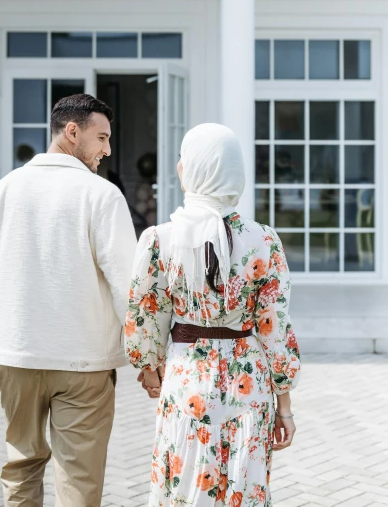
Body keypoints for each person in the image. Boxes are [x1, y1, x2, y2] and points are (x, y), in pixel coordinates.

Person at [0, 93, 137, 507]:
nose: (107, 150)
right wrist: (147, 358)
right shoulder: (102, 195)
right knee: (79, 478)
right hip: (85, 366)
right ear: (72, 132)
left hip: (17, 359)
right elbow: (129, 288)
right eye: (102, 138)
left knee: (20, 466)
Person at [125, 123, 301, 506]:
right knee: (242, 487)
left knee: (185, 484)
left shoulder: (160, 239)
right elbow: (276, 329)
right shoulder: (264, 240)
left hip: (187, 380)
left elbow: (145, 314)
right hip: (248, 386)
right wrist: (284, 407)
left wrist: (149, 366)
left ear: (187, 170)